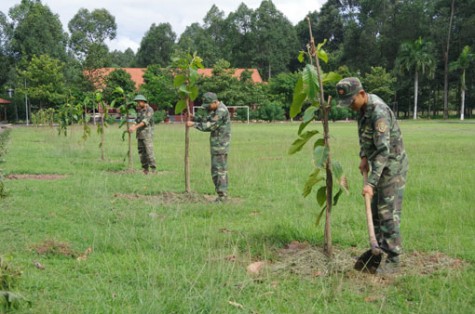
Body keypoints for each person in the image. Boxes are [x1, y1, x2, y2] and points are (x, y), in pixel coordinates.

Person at [336, 77, 409, 274]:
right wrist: (363, 157)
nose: (350, 106)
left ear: (361, 93)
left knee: (387, 212)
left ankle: (393, 258)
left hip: (392, 165)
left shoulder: (379, 111)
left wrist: (372, 183)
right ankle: (379, 251)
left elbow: (384, 151)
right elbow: (365, 137)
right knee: (376, 211)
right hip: (376, 162)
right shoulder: (361, 110)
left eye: (351, 101)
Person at [186, 92, 231, 202]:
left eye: (209, 105)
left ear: (215, 102)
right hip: (217, 146)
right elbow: (207, 119)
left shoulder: (221, 111)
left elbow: (211, 125)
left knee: (219, 171)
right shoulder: (216, 110)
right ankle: (221, 195)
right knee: (216, 170)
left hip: (220, 146)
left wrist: (193, 125)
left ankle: (222, 196)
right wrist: (195, 118)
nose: (208, 108)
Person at [128, 94, 157, 174]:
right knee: (141, 152)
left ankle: (153, 169)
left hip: (147, 135)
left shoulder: (149, 110)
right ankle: (145, 169)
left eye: (138, 102)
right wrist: (132, 125)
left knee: (149, 152)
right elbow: (137, 120)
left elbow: (145, 122)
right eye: (137, 102)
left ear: (143, 102)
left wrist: (135, 127)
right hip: (140, 134)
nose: (137, 104)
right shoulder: (139, 110)